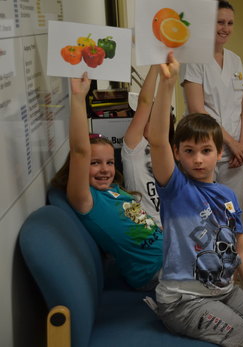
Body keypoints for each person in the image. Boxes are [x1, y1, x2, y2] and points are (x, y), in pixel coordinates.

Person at [148, 52, 243, 347]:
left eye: (206, 151)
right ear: (177, 153)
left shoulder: (227, 195)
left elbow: (241, 247)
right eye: (189, 151)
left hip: (225, 290)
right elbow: (156, 140)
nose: (198, 159)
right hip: (183, 302)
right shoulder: (176, 188)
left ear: (219, 154)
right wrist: (167, 85)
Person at [50, 72, 163, 290]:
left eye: (110, 163)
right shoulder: (85, 200)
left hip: (170, 257)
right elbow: (80, 151)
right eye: (95, 163)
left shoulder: (114, 191)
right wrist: (78, 97)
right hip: (154, 272)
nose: (105, 169)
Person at [182, 0, 243, 206]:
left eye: (230, 23)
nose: (225, 28)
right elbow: (197, 110)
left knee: (233, 207)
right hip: (205, 147)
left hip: (235, 155)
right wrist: (232, 143)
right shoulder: (193, 59)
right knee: (205, 208)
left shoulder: (235, 60)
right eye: (220, 22)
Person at [121, 64, 173, 229]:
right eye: (153, 120)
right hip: (146, 229)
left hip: (169, 226)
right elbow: (144, 102)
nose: (159, 125)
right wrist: (156, 65)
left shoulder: (166, 151)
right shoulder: (134, 149)